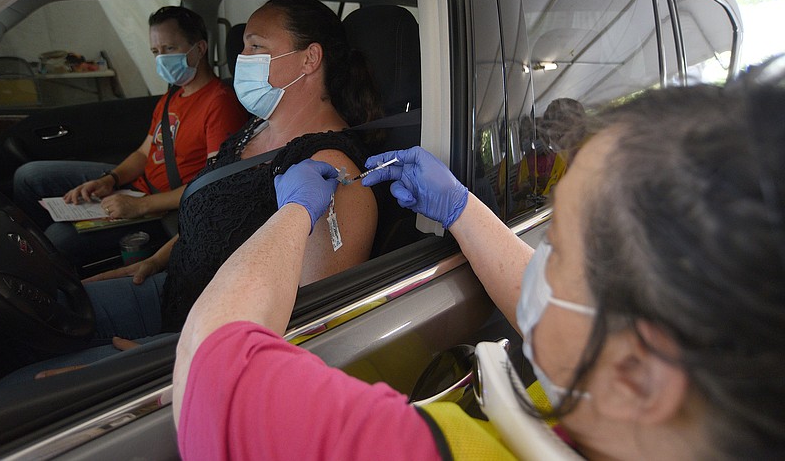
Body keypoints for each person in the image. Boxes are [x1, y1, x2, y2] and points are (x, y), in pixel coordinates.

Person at [173, 82, 785, 459]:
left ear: (638, 377)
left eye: (560, 247)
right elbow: (569, 316)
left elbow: (209, 363)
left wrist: (295, 215)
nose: (538, 260)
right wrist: (461, 208)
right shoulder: (635, 398)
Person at [0, 0, 380, 385]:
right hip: (170, 291)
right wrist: (155, 260)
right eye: (243, 45)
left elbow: (311, 332)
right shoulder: (255, 130)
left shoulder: (331, 169)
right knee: (20, 320)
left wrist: (169, 361)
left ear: (309, 59)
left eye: (256, 46)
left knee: (17, 390)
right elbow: (216, 213)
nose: (240, 59)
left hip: (203, 351)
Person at [12, 6, 248, 268]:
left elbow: (213, 185)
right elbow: (143, 152)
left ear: (200, 48)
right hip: (138, 188)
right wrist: (109, 180)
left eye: (169, 49)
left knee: (56, 240)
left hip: (163, 206)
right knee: (29, 176)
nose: (160, 59)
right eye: (155, 52)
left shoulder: (220, 104)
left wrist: (141, 206)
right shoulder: (173, 97)